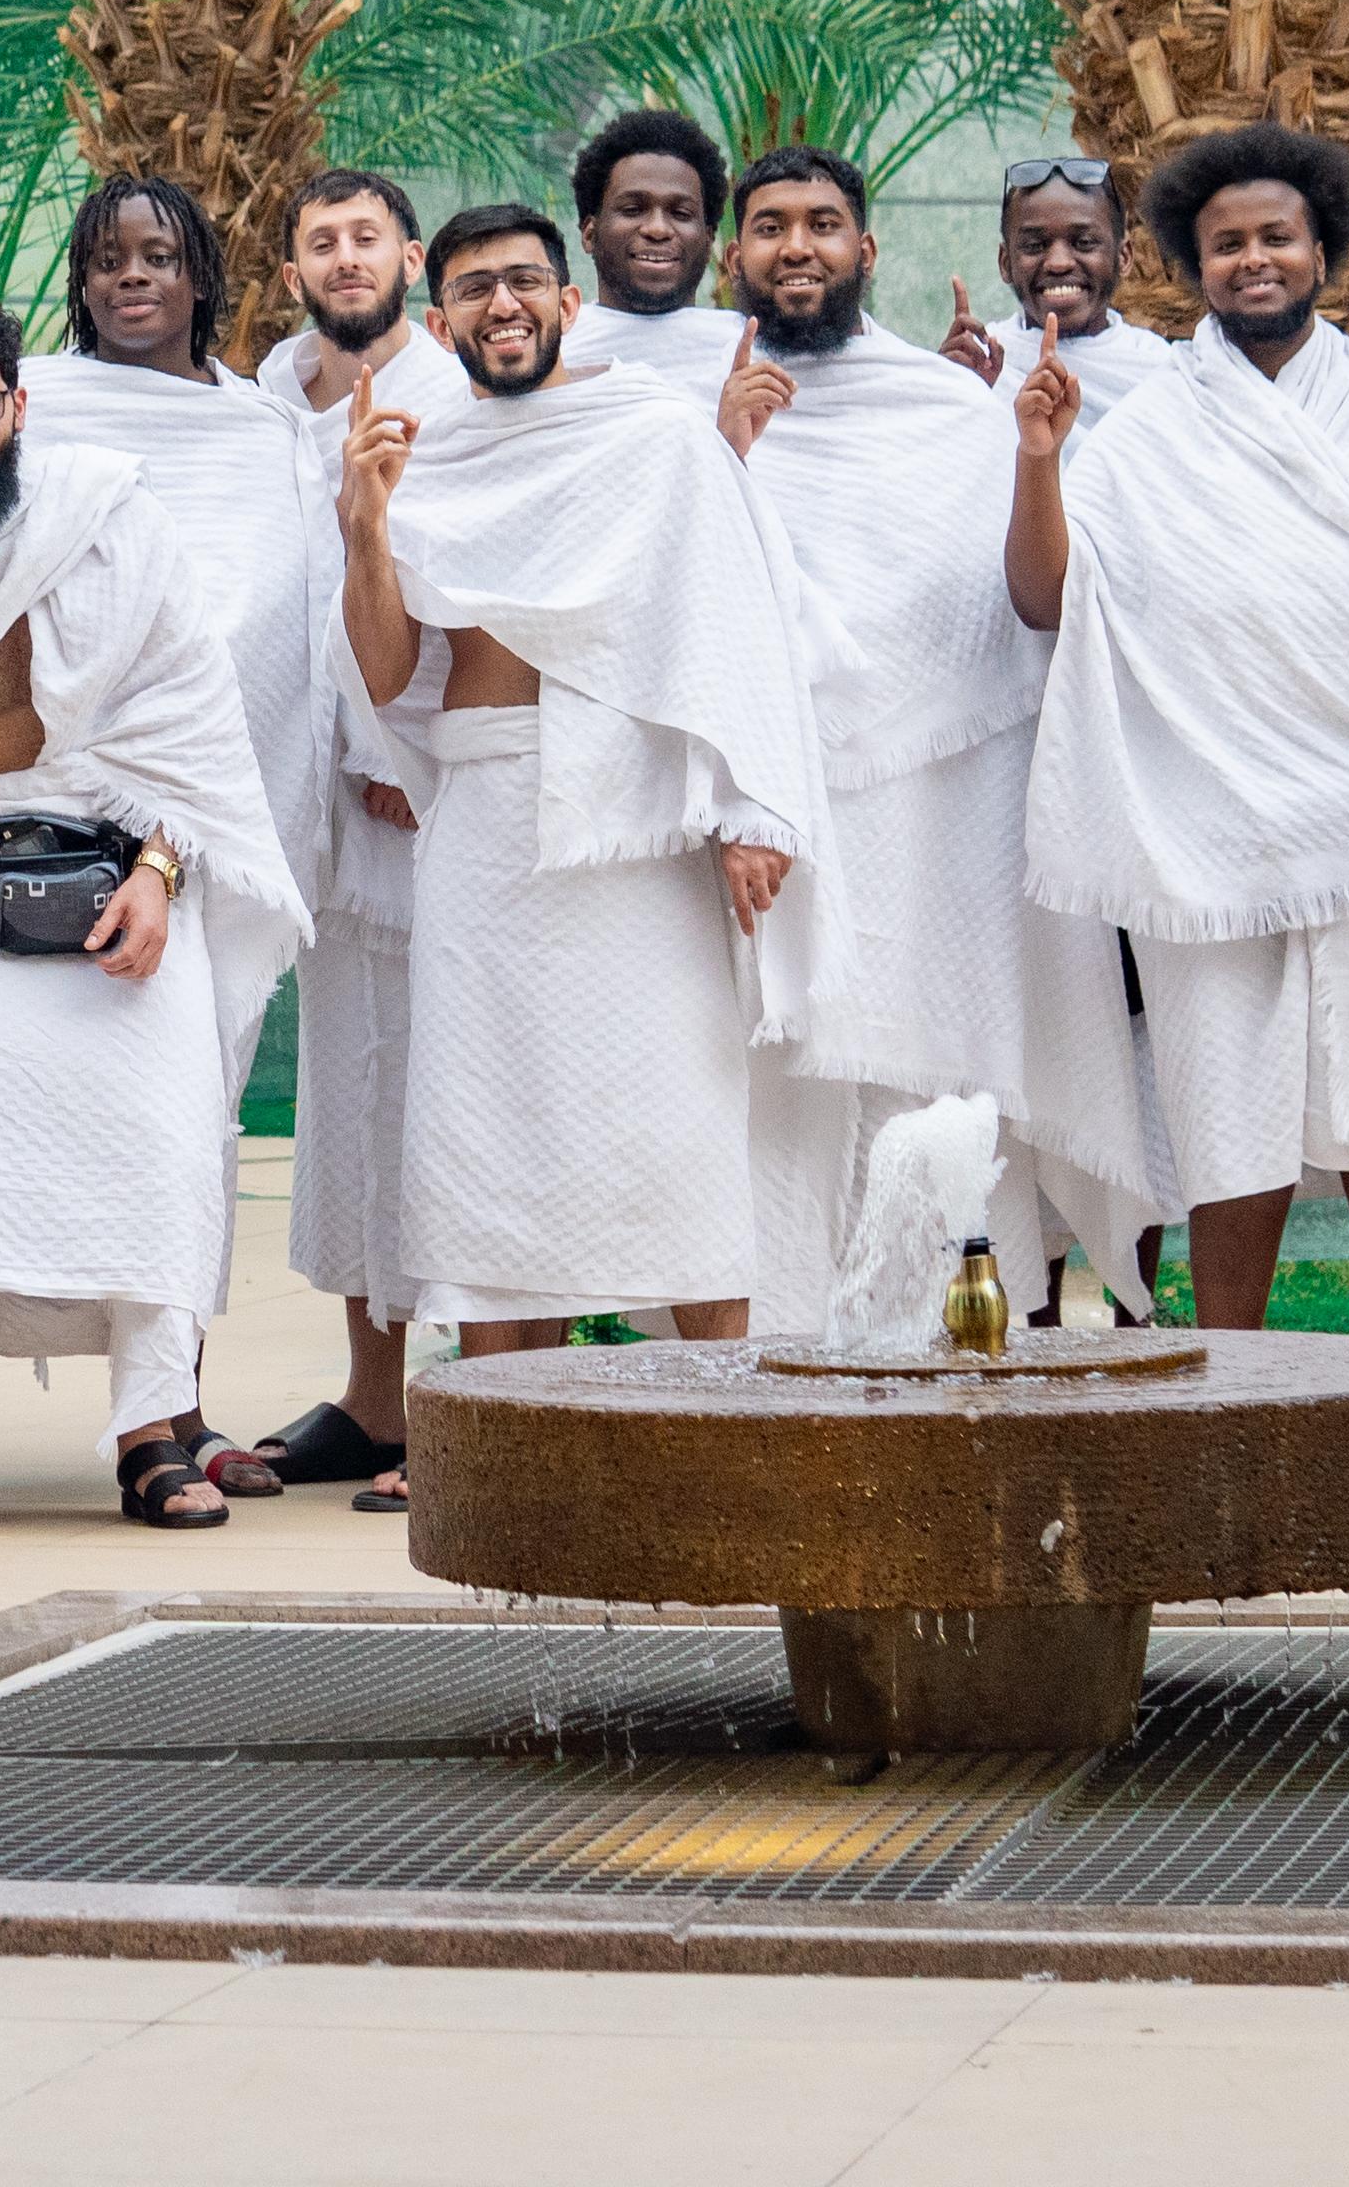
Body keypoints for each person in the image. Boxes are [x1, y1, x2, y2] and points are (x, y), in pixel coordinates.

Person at [336, 208, 826, 1494]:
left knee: (668, 1131)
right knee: (482, 1133)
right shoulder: (419, 452)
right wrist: (363, 531)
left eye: (519, 283)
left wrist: (746, 815)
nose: (499, 306)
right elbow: (390, 674)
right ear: (437, 323)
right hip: (487, 824)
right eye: (468, 292)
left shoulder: (653, 437)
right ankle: (509, 1453)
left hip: (639, 835)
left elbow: (731, 619)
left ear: (563, 302)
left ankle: (728, 1438)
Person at [0, 292, 302, 1536]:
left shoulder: (106, 516)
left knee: (157, 1146)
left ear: (17, 402)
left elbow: (191, 719)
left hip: (118, 866)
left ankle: (150, 1432)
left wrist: (160, 873)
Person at [1013, 125, 1349, 1338]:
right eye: (1224, 245)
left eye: (1274, 236)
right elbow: (1044, 600)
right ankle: (1226, 1387)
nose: (1252, 260)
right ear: (1188, 265)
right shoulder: (1144, 434)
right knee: (1225, 1121)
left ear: (1320, 248)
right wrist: (1039, 460)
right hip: (1211, 825)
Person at [711, 143, 1154, 1334]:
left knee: (939, 1093)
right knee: (779, 1107)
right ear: (731, 254)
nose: (793, 246)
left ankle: (949, 1372)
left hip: (939, 835)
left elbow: (1015, 613)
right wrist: (723, 458)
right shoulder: (698, 416)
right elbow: (686, 623)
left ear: (866, 249)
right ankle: (777, 1387)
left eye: (819, 223)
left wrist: (1032, 460)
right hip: (775, 829)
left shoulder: (945, 407)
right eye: (767, 225)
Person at [17, 172, 327, 1501]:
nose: (130, 276)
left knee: (192, 1120)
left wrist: (174, 805)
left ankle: (178, 1402)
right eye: (104, 259)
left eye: (157, 255)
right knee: (76, 1122)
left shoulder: (261, 433)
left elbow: (263, 627)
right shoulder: (36, 410)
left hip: (203, 832)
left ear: (204, 275)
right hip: (53, 830)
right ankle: (64, 1412)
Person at [248, 167, 455, 1496]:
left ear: (411, 256)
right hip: (317, 817)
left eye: (364, 236)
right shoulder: (263, 415)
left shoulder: (462, 397)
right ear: (292, 275)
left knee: (447, 1097)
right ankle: (373, 1400)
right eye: (320, 241)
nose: (344, 257)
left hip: (435, 811)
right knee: (350, 1102)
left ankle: (469, 1396)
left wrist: (414, 739)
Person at [939, 156, 1183, 433]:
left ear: (1124, 256)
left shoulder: (1164, 369)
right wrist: (947, 392)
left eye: (1084, 243)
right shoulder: (978, 359)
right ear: (1005, 263)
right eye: (1034, 245)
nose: (1058, 262)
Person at [561, 108, 743, 394]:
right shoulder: (548, 354)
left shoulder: (746, 351)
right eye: (633, 210)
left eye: (681, 213)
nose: (658, 229)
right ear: (589, 233)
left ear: (709, 241)